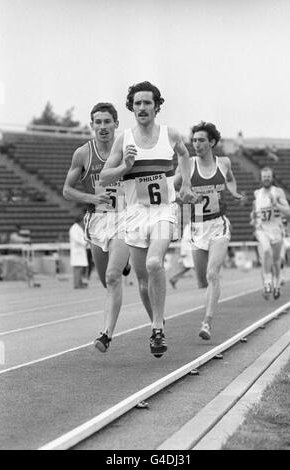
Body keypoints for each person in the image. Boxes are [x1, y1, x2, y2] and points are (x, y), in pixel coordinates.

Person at [100, 81, 194, 357]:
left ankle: (157, 329)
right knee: (142, 281)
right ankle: (157, 322)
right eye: (137, 103)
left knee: (155, 263)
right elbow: (105, 177)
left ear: (156, 106)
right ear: (132, 107)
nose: (142, 107)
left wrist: (185, 184)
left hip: (164, 210)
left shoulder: (170, 134)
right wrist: (125, 166)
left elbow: (184, 154)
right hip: (135, 215)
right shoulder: (124, 139)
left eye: (147, 103)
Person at [63, 102, 132, 352]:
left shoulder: (127, 150)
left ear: (116, 124)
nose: (103, 127)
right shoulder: (83, 154)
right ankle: (125, 263)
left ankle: (106, 334)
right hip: (97, 220)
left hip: (125, 218)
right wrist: (91, 198)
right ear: (91, 125)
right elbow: (67, 190)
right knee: (106, 280)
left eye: (107, 121)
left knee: (114, 277)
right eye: (98, 122)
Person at [175, 121, 245, 340]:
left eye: (201, 140)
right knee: (202, 281)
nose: (196, 144)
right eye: (194, 140)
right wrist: (183, 197)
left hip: (218, 225)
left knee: (212, 274)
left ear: (212, 142)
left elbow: (231, 179)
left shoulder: (223, 163)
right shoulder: (187, 164)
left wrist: (233, 192)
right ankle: (208, 311)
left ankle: (207, 323)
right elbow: (172, 191)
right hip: (197, 228)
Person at [252, 167, 290, 299]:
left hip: (276, 230)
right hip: (262, 229)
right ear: (261, 178)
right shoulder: (257, 193)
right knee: (266, 251)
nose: (266, 179)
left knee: (276, 261)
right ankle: (268, 282)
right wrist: (254, 217)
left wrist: (276, 204)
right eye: (264, 177)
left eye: (268, 177)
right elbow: (255, 211)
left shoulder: (278, 192)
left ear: (272, 177)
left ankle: (277, 284)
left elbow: (288, 212)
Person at [169, 222, 194, 289]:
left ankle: (174, 279)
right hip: (188, 249)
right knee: (193, 266)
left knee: (188, 267)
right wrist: (183, 252)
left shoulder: (190, 226)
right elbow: (186, 240)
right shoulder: (190, 227)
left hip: (189, 248)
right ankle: (173, 278)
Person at [69, 216, 88, 289]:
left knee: (80, 267)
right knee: (77, 267)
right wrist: (84, 243)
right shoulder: (74, 228)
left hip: (79, 250)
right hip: (77, 251)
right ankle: (77, 284)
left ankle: (79, 282)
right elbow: (76, 239)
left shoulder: (78, 228)